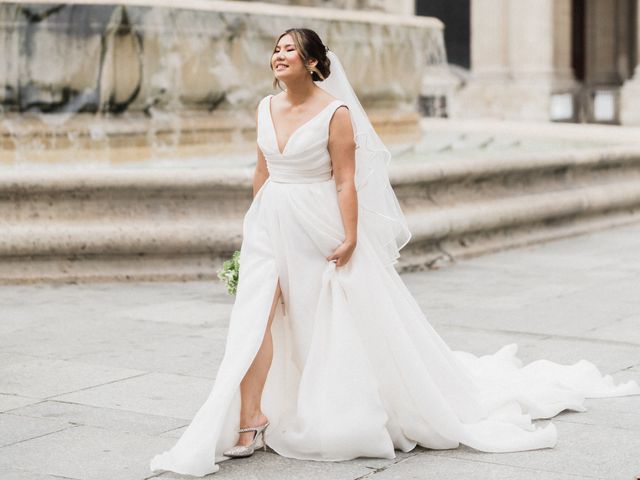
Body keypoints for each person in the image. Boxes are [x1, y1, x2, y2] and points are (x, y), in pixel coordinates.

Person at [150, 28, 640, 477]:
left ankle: (347, 403)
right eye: (276, 49)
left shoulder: (335, 113)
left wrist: (350, 235)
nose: (278, 55)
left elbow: (345, 179)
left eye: (289, 49)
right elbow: (261, 171)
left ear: (314, 63)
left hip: (316, 224)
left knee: (324, 316)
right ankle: (250, 416)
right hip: (269, 222)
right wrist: (252, 224)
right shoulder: (264, 107)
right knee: (256, 317)